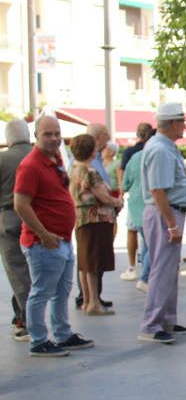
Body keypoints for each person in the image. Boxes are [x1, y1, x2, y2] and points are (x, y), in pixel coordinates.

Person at [13, 115, 93, 356]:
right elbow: (20, 204)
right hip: (43, 243)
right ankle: (38, 340)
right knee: (41, 292)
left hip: (62, 241)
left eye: (57, 133)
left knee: (61, 292)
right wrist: (44, 234)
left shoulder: (55, 158)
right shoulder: (30, 165)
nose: (54, 139)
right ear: (35, 136)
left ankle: (62, 334)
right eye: (48, 134)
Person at [139, 103, 186, 344]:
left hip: (168, 212)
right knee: (162, 269)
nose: (184, 126)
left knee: (169, 269)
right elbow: (158, 190)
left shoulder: (164, 146)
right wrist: (171, 223)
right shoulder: (160, 149)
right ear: (172, 123)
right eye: (182, 121)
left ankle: (166, 319)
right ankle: (152, 325)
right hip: (165, 213)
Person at [68, 134, 122, 315]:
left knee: (84, 262)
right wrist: (118, 202)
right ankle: (94, 303)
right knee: (94, 262)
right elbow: (104, 197)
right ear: (92, 150)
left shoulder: (74, 169)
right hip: (95, 219)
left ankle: (87, 301)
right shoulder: (90, 172)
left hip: (80, 219)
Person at [1, 119, 33, 341]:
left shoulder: (3, 159)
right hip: (39, 218)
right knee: (34, 270)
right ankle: (22, 315)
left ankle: (28, 321)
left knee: (17, 271)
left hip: (9, 219)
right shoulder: (40, 155)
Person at [122, 144, 151, 292]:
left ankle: (145, 275)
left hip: (135, 206)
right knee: (152, 244)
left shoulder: (134, 157)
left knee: (147, 243)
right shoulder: (156, 155)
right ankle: (145, 278)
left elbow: (125, 184)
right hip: (150, 206)